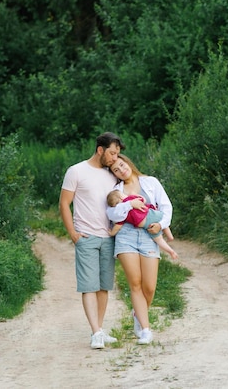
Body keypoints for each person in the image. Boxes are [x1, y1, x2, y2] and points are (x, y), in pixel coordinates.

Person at [59, 132, 126, 349]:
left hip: (108, 238)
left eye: (117, 154)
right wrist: (73, 234)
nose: (115, 158)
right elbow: (64, 204)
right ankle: (96, 332)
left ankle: (99, 329)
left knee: (103, 287)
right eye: (112, 153)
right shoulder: (76, 171)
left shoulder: (112, 175)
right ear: (100, 150)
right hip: (86, 238)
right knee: (89, 286)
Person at [106, 154, 175, 345]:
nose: (121, 170)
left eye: (122, 165)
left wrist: (160, 225)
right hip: (126, 236)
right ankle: (146, 330)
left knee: (149, 287)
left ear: (128, 161)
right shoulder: (116, 190)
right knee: (135, 283)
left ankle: (138, 313)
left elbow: (166, 207)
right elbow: (112, 213)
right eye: (116, 170)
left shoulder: (150, 182)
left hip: (148, 235)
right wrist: (129, 204)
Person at [106, 189, 178, 260]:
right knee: (161, 219)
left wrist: (112, 233)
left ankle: (171, 251)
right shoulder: (130, 199)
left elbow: (118, 226)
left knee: (159, 240)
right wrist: (135, 194)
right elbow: (143, 200)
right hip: (151, 214)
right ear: (121, 197)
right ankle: (169, 236)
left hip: (146, 223)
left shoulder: (122, 214)